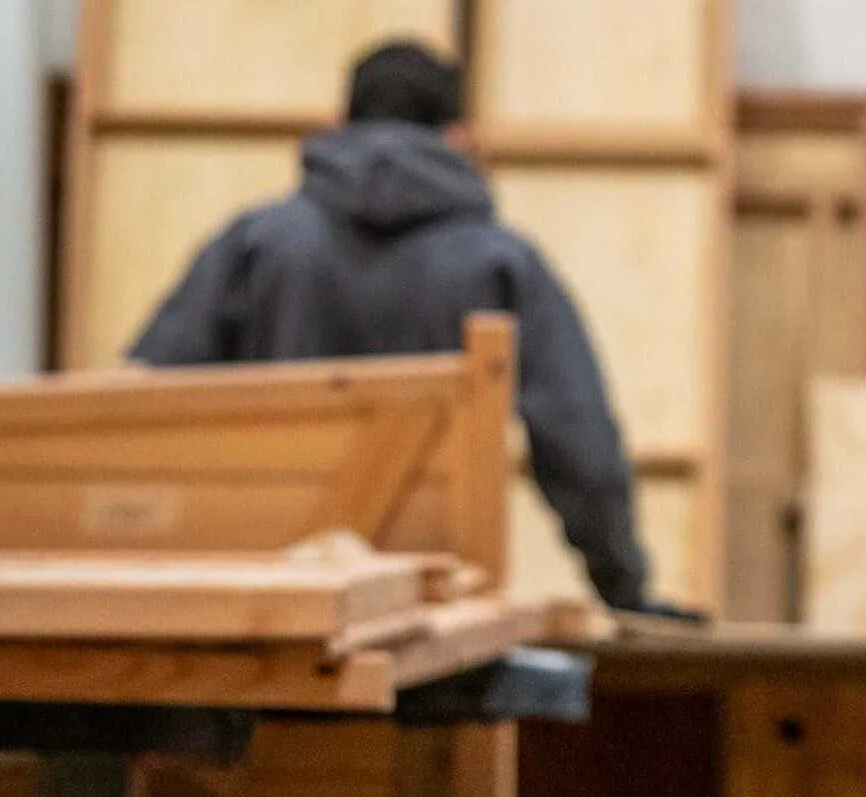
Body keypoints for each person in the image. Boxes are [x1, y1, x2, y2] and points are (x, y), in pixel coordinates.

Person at [130, 38, 655, 614]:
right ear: (460, 138)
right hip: (440, 608)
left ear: (336, 125)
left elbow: (148, 410)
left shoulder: (257, 243)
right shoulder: (500, 263)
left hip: (270, 604)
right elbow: (580, 442)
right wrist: (623, 588)